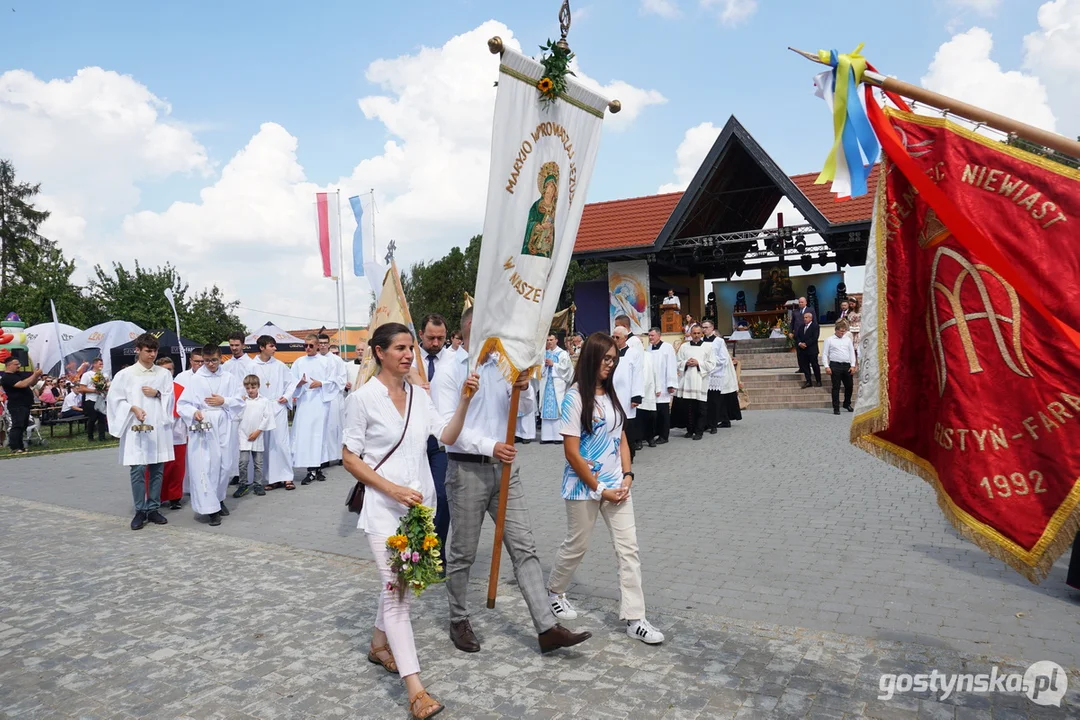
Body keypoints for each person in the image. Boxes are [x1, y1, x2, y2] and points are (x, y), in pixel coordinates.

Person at [342, 322, 480, 720]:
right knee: (398, 595)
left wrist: (466, 401)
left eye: (411, 348)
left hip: (421, 511)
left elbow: (447, 435)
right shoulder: (363, 399)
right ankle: (416, 690)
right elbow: (351, 458)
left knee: (398, 584)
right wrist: (392, 490)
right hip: (385, 511)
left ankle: (377, 644)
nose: (408, 354)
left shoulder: (421, 396)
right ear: (379, 353)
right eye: (400, 347)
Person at [434, 306, 591, 656]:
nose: (496, 337)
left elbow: (520, 413)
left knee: (524, 547)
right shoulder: (448, 370)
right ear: (469, 331)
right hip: (466, 470)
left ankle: (546, 627)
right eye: (488, 329)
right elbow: (448, 430)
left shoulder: (502, 365)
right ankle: (458, 619)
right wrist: (492, 445)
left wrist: (525, 387)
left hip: (505, 469)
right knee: (462, 552)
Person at [546, 333, 664, 645]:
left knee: (629, 550)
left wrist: (627, 475)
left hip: (618, 487)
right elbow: (571, 452)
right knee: (577, 545)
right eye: (605, 359)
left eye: (614, 359)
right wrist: (600, 488)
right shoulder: (575, 398)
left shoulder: (612, 395)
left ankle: (635, 618)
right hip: (585, 487)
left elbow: (621, 436)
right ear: (590, 358)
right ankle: (555, 590)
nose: (610, 365)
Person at [106, 333, 175, 530]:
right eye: (148, 351)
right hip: (135, 427)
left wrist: (158, 394)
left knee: (156, 468)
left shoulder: (163, 374)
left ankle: (153, 507)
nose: (152, 355)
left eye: (154, 351)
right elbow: (115, 400)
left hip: (157, 427)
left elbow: (170, 398)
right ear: (138, 350)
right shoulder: (125, 375)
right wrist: (133, 408)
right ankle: (140, 509)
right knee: (137, 469)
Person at [177, 344, 245, 527]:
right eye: (207, 361)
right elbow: (182, 404)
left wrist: (224, 401)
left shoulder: (229, 378)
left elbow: (240, 401)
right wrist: (194, 412)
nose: (211, 364)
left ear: (220, 357)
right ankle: (211, 510)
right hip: (204, 424)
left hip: (224, 423)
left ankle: (219, 498)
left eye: (214, 360)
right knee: (205, 466)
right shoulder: (195, 379)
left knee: (224, 465)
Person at [416, 313, 456, 569]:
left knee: (442, 497)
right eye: (431, 337)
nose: (436, 342)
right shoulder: (408, 359)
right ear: (420, 334)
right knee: (417, 497)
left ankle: (436, 552)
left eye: (441, 338)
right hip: (413, 438)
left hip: (441, 440)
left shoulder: (454, 360)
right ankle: (413, 553)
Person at [291, 334, 339, 485]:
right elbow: (291, 382)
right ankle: (311, 469)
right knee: (306, 435)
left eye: (311, 345)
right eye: (305, 345)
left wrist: (321, 383)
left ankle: (316, 468)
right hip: (305, 400)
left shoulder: (326, 362)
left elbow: (336, 381)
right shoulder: (299, 362)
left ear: (318, 345)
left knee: (319, 435)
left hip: (320, 400)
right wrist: (298, 384)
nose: (307, 348)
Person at [251, 336, 298, 491]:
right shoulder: (252, 366)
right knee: (266, 445)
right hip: (262, 408)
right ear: (262, 347)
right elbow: (246, 386)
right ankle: (271, 478)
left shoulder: (280, 366)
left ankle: (287, 477)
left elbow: (291, 383)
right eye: (272, 346)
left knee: (281, 443)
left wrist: (286, 396)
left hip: (277, 407)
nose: (275, 349)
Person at [234, 374, 276, 497]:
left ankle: (258, 484)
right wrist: (239, 403)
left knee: (258, 463)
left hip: (257, 435)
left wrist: (258, 431)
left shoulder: (264, 401)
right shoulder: (242, 401)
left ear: (258, 386)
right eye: (248, 388)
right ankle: (243, 484)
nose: (250, 390)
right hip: (244, 435)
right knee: (243, 462)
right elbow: (236, 416)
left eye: (253, 387)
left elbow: (267, 417)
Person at [155, 357, 188, 511]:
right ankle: (158, 496)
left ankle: (175, 497)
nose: (167, 372)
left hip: (178, 433)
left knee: (177, 467)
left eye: (170, 369)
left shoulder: (180, 388)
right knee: (159, 467)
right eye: (164, 369)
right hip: (159, 433)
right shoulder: (152, 387)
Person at [222, 332, 255, 485]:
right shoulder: (226, 365)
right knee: (233, 441)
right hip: (231, 408)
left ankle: (248, 473)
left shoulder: (250, 364)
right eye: (231, 345)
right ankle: (235, 472)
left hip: (246, 406)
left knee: (246, 441)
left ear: (243, 345)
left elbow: (253, 383)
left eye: (237, 345)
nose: (234, 348)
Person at [676, 325, 715, 441]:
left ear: (702, 334)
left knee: (701, 408)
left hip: (701, 380)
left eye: (698, 333)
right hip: (687, 381)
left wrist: (698, 363)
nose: (696, 335)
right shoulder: (684, 347)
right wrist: (685, 363)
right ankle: (690, 429)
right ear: (691, 334)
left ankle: (699, 431)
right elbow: (677, 361)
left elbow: (712, 363)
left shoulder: (708, 346)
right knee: (688, 408)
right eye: (694, 333)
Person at [318, 333, 350, 468]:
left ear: (329, 344)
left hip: (335, 397)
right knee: (323, 428)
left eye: (325, 343)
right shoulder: (315, 359)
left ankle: (340, 455)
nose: (323, 345)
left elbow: (342, 378)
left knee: (337, 427)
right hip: (319, 398)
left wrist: (326, 383)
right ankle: (324, 457)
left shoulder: (337, 360)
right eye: (321, 343)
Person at [701, 321, 741, 430]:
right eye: (703, 327)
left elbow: (723, 358)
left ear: (712, 327)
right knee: (705, 400)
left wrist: (711, 364)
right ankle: (705, 422)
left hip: (716, 373)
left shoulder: (719, 341)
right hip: (704, 373)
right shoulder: (700, 341)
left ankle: (714, 422)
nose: (704, 330)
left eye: (706, 327)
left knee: (715, 400)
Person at [611, 326, 643, 458]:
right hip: (612, 393)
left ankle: (629, 454)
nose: (614, 339)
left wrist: (636, 396)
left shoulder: (633, 353)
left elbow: (638, 375)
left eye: (617, 337)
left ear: (625, 338)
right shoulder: (610, 352)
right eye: (613, 337)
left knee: (627, 425)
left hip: (626, 395)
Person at [539, 333, 573, 444]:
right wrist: (544, 366)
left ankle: (558, 437)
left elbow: (567, 369)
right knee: (546, 409)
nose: (549, 342)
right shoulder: (544, 354)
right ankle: (546, 436)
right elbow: (539, 369)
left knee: (557, 409)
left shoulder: (562, 354)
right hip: (546, 383)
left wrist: (554, 364)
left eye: (551, 339)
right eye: (548, 340)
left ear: (556, 340)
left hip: (557, 384)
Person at [1, 357, 40, 454]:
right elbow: (22, 384)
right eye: (16, 364)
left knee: (23, 426)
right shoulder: (7, 377)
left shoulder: (19, 374)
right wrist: (34, 374)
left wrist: (36, 376)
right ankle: (14, 447)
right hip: (16, 404)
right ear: (9, 365)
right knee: (17, 425)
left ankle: (21, 446)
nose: (19, 366)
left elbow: (31, 383)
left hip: (25, 404)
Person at [646, 328, 677, 445]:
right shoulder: (648, 349)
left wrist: (671, 384)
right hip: (652, 385)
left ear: (659, 335)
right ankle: (654, 433)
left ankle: (664, 435)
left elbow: (671, 366)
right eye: (649, 336)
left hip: (664, 384)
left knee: (663, 412)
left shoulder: (667, 348)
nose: (650, 338)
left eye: (652, 335)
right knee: (654, 412)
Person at [822, 320, 857, 414]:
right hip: (835, 365)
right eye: (841, 331)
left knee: (849, 386)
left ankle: (847, 403)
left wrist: (853, 365)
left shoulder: (847, 340)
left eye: (844, 331)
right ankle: (836, 407)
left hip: (846, 365)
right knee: (836, 387)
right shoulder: (829, 340)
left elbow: (851, 353)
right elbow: (825, 354)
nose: (842, 333)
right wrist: (826, 366)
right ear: (836, 330)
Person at [77, 357, 109, 442]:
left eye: (102, 364)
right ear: (94, 364)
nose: (101, 366)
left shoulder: (104, 375)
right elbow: (82, 388)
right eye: (99, 364)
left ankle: (102, 437)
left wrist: (105, 388)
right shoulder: (87, 375)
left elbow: (106, 385)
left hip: (101, 399)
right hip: (91, 399)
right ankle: (90, 436)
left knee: (102, 418)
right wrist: (94, 390)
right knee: (93, 418)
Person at [636, 335, 657, 447]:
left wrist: (657, 388)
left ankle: (650, 437)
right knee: (639, 417)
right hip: (637, 390)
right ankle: (638, 440)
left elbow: (655, 372)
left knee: (650, 416)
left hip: (649, 389)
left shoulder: (649, 355)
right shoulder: (632, 356)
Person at [795, 310, 822, 388]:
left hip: (812, 350)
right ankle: (808, 381)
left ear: (811, 318)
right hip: (803, 350)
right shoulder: (801, 327)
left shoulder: (815, 326)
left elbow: (814, 337)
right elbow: (798, 337)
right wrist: (800, 343)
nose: (805, 319)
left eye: (806, 317)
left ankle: (818, 381)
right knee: (805, 366)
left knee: (815, 365)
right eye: (804, 318)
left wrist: (806, 344)